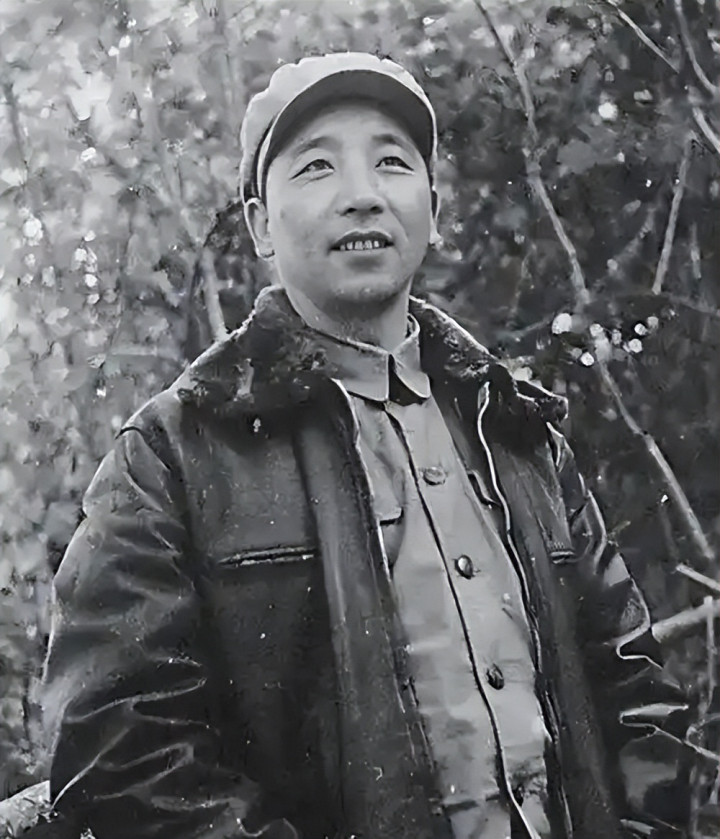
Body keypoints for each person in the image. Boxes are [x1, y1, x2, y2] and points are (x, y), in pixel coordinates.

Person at [41, 52, 692, 839]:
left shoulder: (518, 431)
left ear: (432, 208)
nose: (362, 194)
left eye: (391, 162)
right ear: (260, 224)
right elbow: (121, 744)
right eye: (317, 166)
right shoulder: (171, 453)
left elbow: (634, 687)